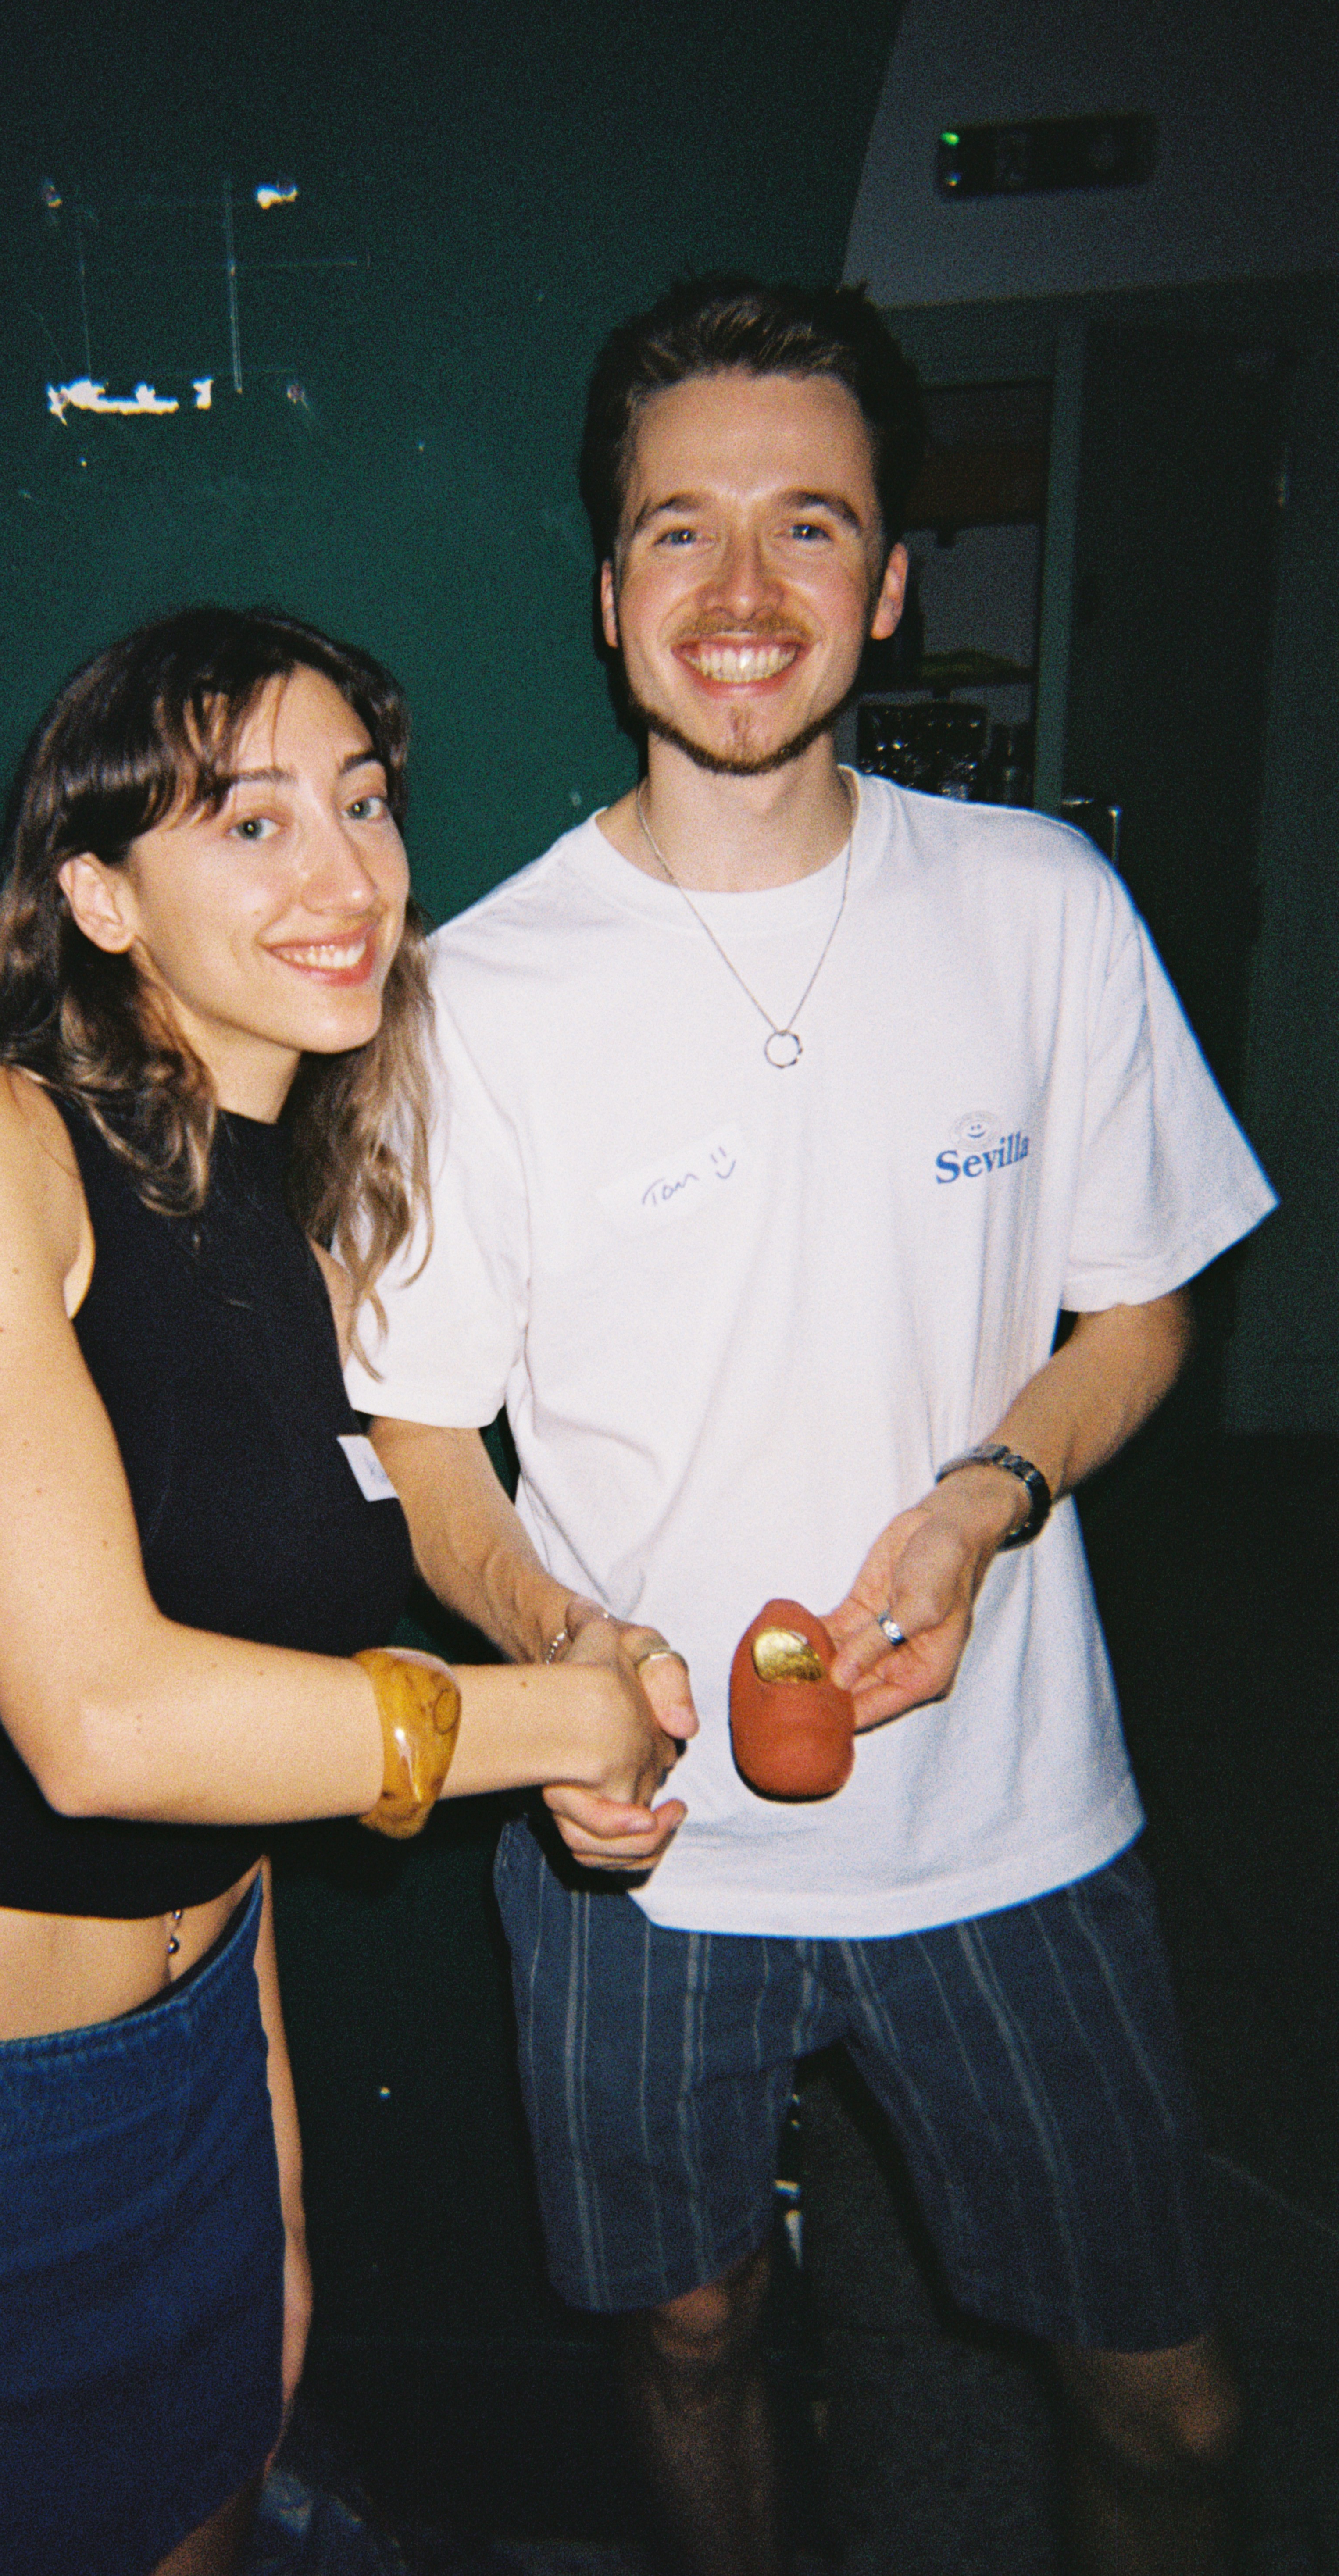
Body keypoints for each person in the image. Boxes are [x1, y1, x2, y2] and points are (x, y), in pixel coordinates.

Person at [0, 607, 689, 2576]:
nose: (346, 875)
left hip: (188, 2096)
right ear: (99, 897)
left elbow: (242, 1770)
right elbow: (105, 1725)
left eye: (364, 804)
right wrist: (564, 1720)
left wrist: (269, 2195)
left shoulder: (292, 1231)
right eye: (252, 824)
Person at [350, 281, 1276, 2576]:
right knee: (689, 2336)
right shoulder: (469, 996)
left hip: (1009, 1811)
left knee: (1169, 2411)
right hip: (640, 1841)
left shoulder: (1041, 907)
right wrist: (559, 1652)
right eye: (680, 529)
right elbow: (431, 1448)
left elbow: (1142, 1300)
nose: (742, 590)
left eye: (809, 526)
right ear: (607, 595)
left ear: (888, 585)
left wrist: (986, 1498)